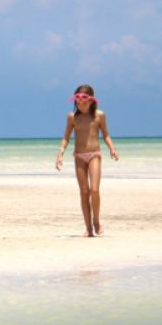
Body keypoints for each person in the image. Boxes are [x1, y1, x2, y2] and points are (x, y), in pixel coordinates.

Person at [55, 85, 119, 237]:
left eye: (84, 102)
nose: (80, 105)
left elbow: (106, 135)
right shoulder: (72, 117)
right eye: (78, 102)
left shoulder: (99, 115)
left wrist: (112, 148)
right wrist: (60, 153)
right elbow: (66, 138)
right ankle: (88, 228)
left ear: (91, 101)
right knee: (84, 192)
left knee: (94, 190)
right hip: (79, 156)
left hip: (94, 155)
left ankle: (96, 221)